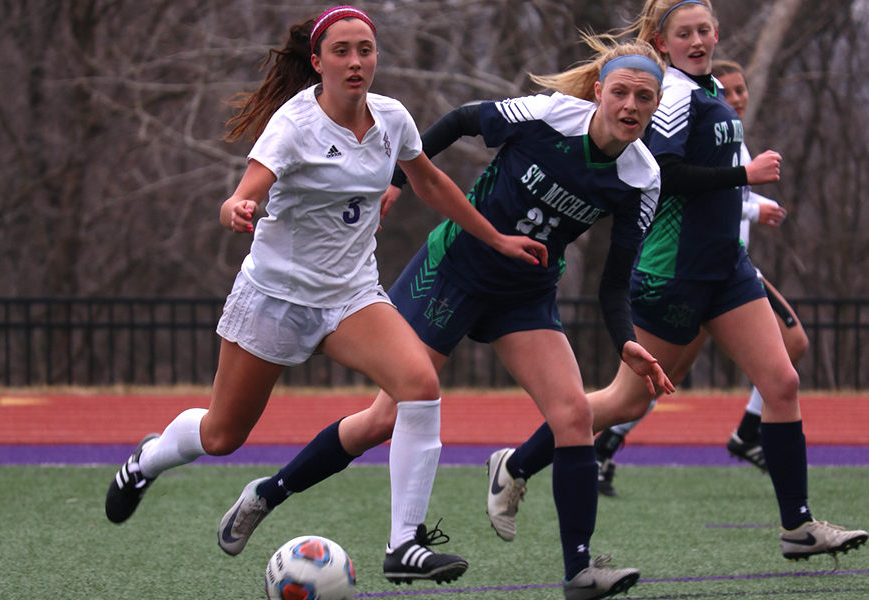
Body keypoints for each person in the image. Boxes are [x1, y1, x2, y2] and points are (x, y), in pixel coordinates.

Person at [216, 35, 676, 599]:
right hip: (453, 271)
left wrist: (625, 340)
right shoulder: (550, 116)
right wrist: (397, 180)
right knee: (385, 418)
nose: (631, 107)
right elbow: (461, 120)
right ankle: (269, 492)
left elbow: (614, 280)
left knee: (573, 416)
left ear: (657, 105)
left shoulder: (642, 177)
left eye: (645, 98)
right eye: (622, 92)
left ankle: (579, 572)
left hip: (525, 293)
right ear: (600, 91)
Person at [104, 5, 549, 586]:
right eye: (341, 51)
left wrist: (494, 238)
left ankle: (404, 545)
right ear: (317, 62)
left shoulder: (392, 119)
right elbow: (244, 192)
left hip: (350, 296)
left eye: (365, 49)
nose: (356, 61)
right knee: (221, 435)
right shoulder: (293, 124)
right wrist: (237, 208)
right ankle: (149, 459)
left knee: (419, 386)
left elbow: (431, 182)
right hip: (276, 298)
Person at [485, 0, 867, 567]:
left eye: (704, 30)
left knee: (782, 380)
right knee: (623, 399)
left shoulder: (710, 90)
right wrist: (745, 175)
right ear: (661, 43)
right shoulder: (673, 96)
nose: (696, 40)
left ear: (717, 33)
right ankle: (515, 464)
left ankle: (798, 526)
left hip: (727, 271)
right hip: (673, 273)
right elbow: (663, 173)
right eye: (683, 33)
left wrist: (746, 197)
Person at [592, 58, 810, 497]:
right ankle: (544, 450)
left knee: (784, 361)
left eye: (741, 90)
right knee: (640, 389)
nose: (735, 99)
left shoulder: (729, 131)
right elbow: (678, 183)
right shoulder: (686, 112)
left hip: (728, 269)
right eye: (726, 91)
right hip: (693, 270)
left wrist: (749, 202)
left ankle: (794, 516)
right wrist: (752, 200)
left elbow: (726, 194)